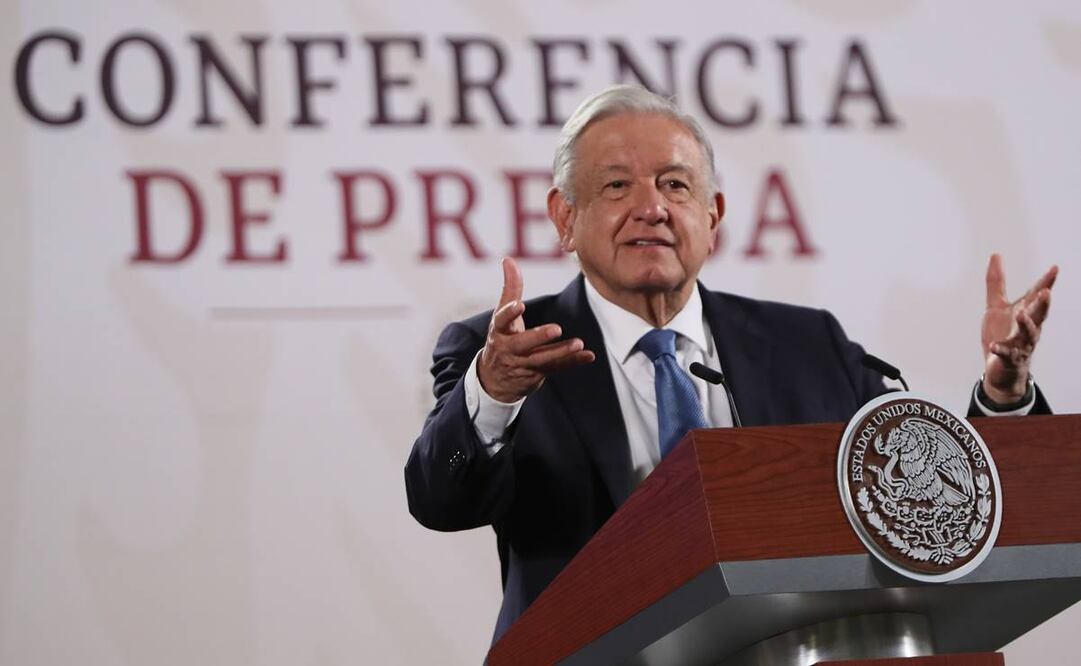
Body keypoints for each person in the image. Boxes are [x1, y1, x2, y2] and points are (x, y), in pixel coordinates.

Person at [404, 85, 1057, 643]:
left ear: (711, 216)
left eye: (675, 185)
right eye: (617, 185)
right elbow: (440, 501)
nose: (652, 207)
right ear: (564, 217)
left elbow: (936, 506)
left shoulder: (807, 344)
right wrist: (493, 391)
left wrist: (1003, 396)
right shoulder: (507, 351)